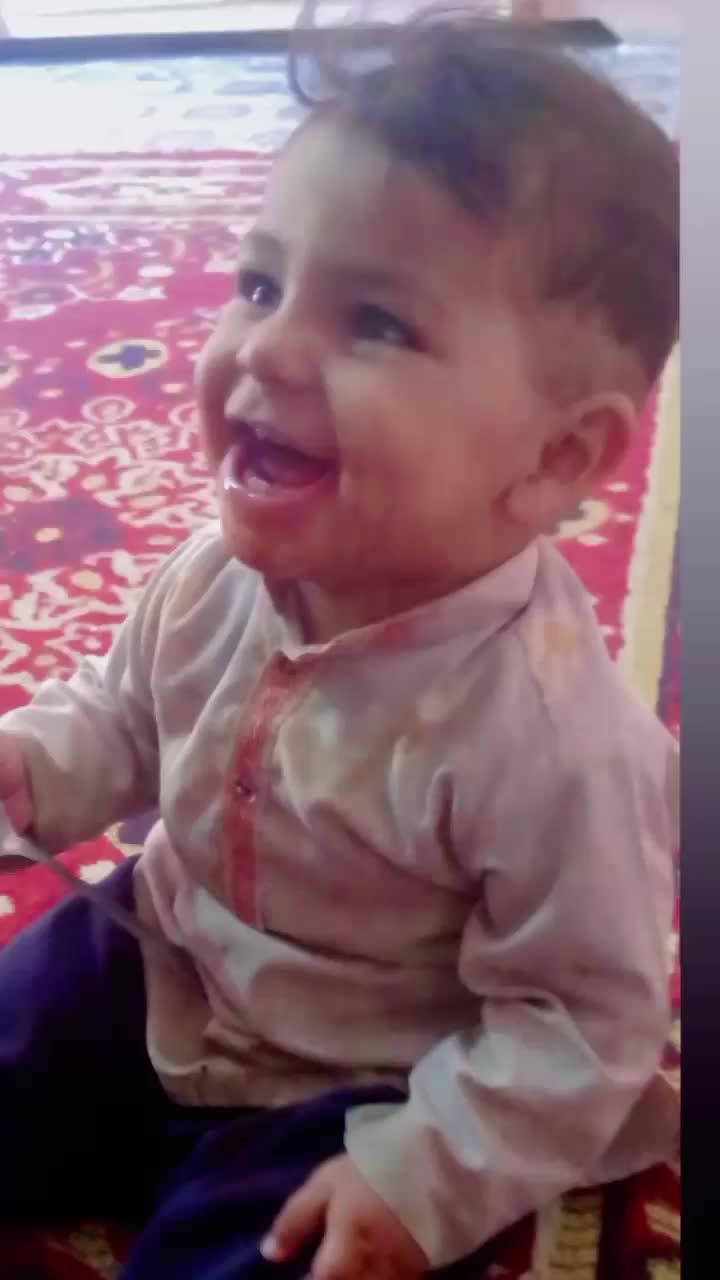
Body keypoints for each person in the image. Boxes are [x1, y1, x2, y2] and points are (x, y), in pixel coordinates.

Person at [0, 14, 679, 1280]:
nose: (264, 346)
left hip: (357, 1082)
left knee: (281, 1251)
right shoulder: (212, 573)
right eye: (260, 285)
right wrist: (33, 764)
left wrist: (423, 1170)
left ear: (557, 457)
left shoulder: (554, 743)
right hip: (167, 966)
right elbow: (125, 715)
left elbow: (584, 1023)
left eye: (375, 321)